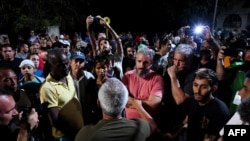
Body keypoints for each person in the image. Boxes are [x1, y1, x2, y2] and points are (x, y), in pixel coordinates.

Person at [75, 78, 153, 141]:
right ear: (125, 103)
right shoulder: (141, 127)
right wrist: (138, 106)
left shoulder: (85, 135)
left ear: (98, 103)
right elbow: (153, 126)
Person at [168, 68, 230, 141]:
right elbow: (187, 122)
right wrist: (174, 135)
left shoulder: (220, 110)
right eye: (195, 85)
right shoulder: (191, 101)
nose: (197, 91)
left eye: (204, 87)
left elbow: (213, 137)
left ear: (213, 89)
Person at [39, 48, 83, 141]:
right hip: (64, 136)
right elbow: (55, 120)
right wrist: (74, 133)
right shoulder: (48, 88)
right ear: (50, 66)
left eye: (66, 63)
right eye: (60, 65)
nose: (65, 67)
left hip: (78, 131)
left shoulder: (68, 76)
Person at [121, 47, 162, 139]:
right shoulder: (127, 76)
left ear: (151, 63)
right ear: (135, 61)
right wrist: (140, 103)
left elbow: (153, 104)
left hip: (148, 127)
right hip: (129, 125)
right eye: (139, 61)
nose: (141, 65)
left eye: (145, 62)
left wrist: (132, 102)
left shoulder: (157, 79)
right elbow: (121, 100)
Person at [69, 51, 102, 125]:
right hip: (71, 116)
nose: (78, 64)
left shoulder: (89, 77)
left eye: (81, 61)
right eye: (76, 61)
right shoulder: (66, 79)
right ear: (70, 62)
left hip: (87, 115)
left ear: (84, 63)